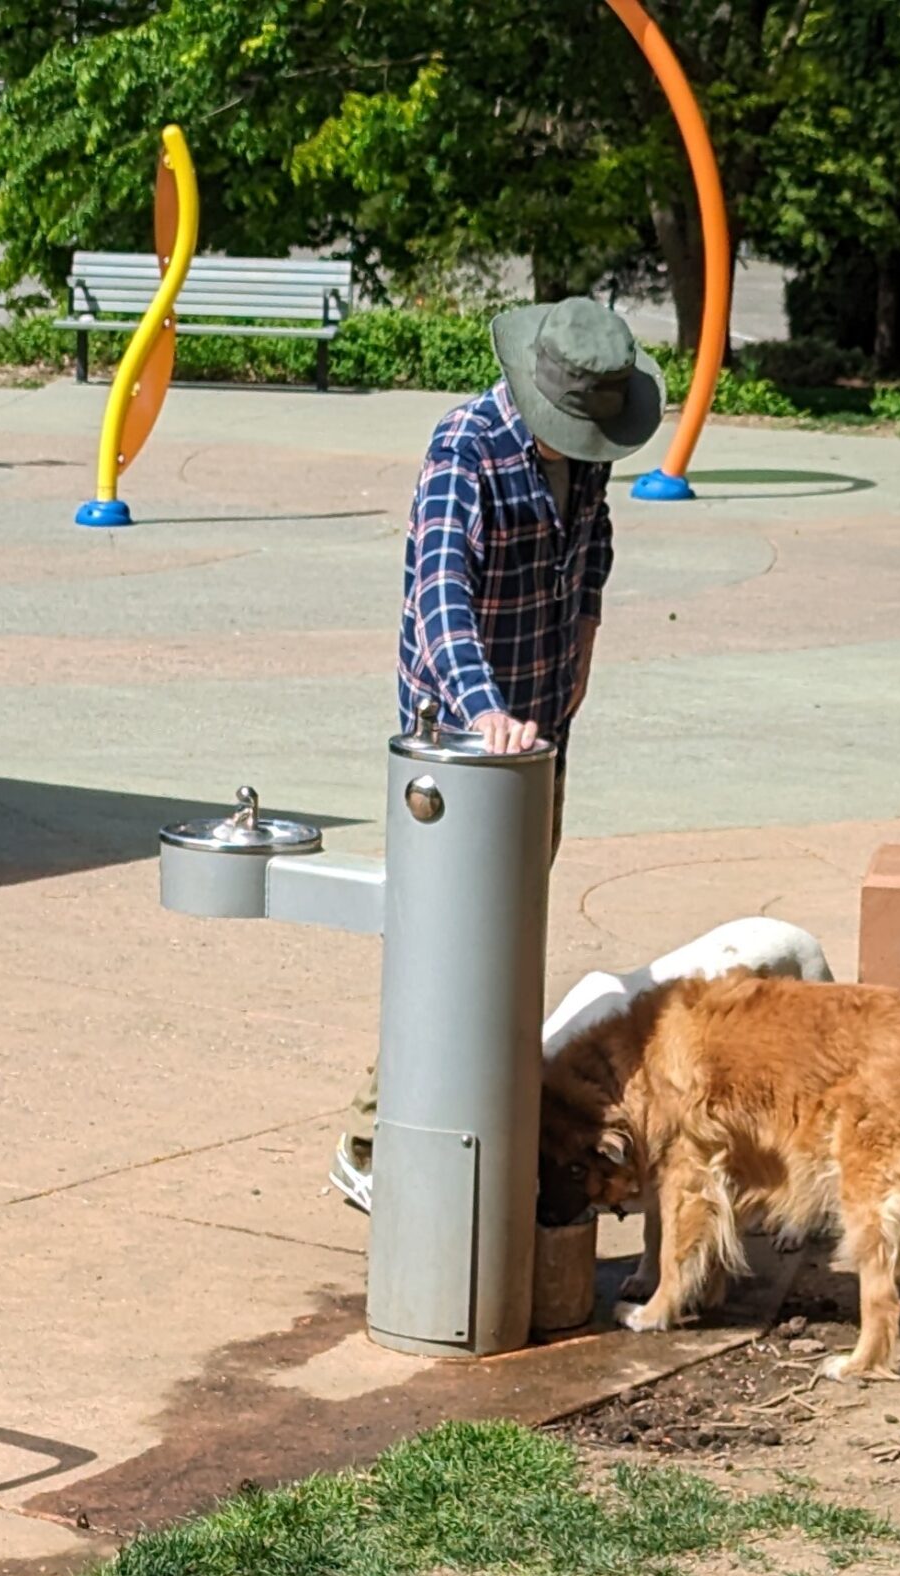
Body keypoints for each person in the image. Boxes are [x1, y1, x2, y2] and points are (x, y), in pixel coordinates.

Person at [330, 296, 665, 1212]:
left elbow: (590, 545)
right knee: (445, 947)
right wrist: (486, 716)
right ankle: (369, 1139)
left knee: (506, 949)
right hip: (459, 754)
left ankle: (475, 1124)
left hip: (538, 742)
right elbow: (441, 601)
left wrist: (585, 632)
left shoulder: (583, 459)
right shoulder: (465, 451)